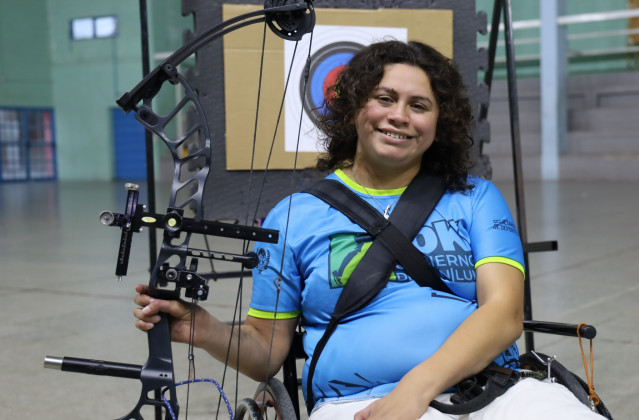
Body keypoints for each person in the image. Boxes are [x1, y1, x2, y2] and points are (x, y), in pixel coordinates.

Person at [134, 40, 605, 420]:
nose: (399, 115)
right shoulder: (295, 214)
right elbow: (264, 349)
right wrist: (205, 329)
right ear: (356, 108)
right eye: (385, 98)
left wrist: (416, 391)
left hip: (490, 391)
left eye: (419, 105)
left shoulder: (475, 197)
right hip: (357, 405)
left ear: (438, 125)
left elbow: (503, 314)